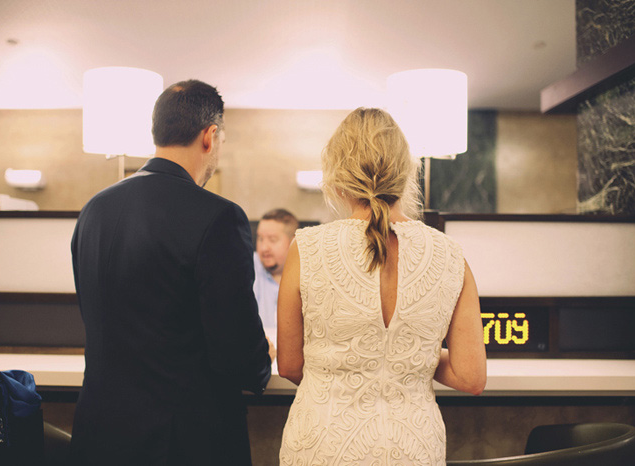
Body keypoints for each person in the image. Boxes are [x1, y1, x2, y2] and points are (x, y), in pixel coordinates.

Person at [70, 79, 272, 466]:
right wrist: (262, 360)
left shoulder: (94, 210)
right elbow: (236, 355)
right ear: (210, 136)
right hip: (181, 442)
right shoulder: (219, 217)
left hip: (98, 433)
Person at [277, 108, 487, 465]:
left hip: (323, 445)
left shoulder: (308, 249)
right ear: (407, 173)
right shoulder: (451, 255)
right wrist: (409, 354)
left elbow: (290, 364)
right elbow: (471, 376)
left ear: (338, 176)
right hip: (413, 448)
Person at [253, 208, 298, 346]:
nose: (264, 247)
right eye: (260, 239)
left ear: (293, 242)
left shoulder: (309, 274)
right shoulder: (247, 266)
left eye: (272, 240)